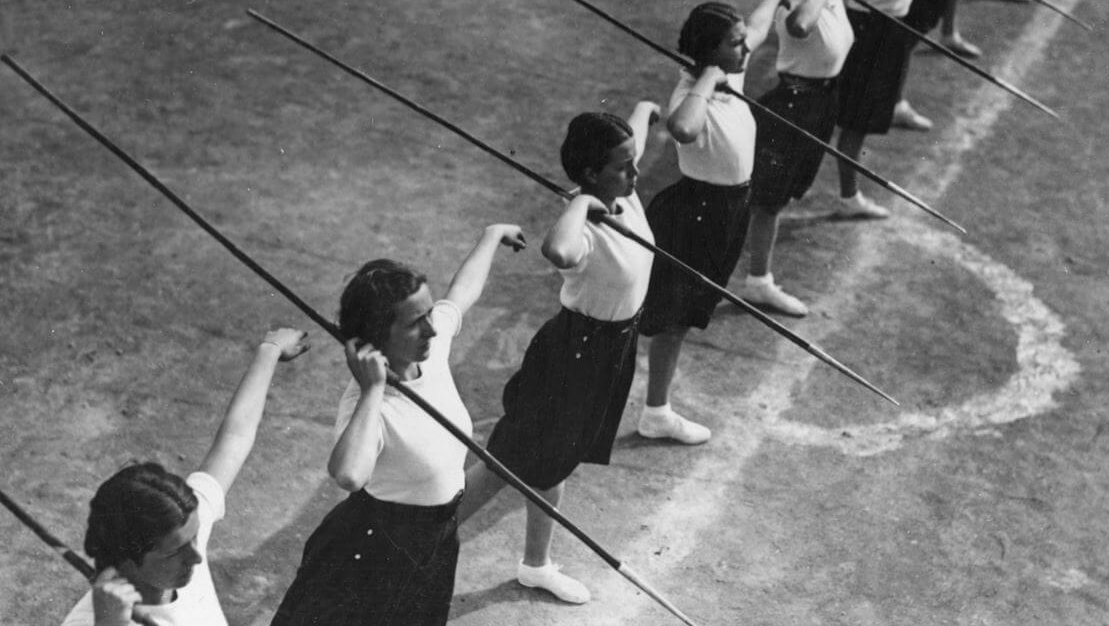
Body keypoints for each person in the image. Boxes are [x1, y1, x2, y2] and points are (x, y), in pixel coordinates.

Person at [270, 225, 526, 626]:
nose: (432, 329)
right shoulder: (365, 404)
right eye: (415, 322)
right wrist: (372, 389)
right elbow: (349, 475)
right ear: (376, 334)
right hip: (374, 553)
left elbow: (460, 295)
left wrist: (492, 236)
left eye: (428, 314)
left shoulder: (431, 352)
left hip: (436, 541)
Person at [459, 101, 661, 604]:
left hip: (610, 351)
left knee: (554, 462)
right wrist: (581, 204)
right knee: (508, 462)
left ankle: (536, 564)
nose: (635, 173)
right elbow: (559, 252)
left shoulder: (624, 193)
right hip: (575, 355)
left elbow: (632, 141)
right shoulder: (584, 229)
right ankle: (413, 543)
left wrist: (644, 109)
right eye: (623, 167)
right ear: (591, 174)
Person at [63, 328, 311, 626]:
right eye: (175, 552)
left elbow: (235, 437)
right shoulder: (91, 622)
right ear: (127, 562)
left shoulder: (178, 528)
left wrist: (269, 349)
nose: (197, 557)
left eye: (194, 537)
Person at [637, 0, 789, 444]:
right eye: (734, 43)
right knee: (674, 318)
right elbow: (682, 128)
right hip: (697, 212)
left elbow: (758, 28)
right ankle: (655, 412)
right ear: (710, 51)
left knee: (685, 315)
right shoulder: (692, 93)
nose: (746, 48)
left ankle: (655, 407)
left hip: (730, 211)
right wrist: (708, 79)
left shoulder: (729, 74)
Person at [739, 0, 853, 318]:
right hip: (795, 105)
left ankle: (755, 271)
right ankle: (758, 282)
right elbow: (799, 26)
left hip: (820, 103)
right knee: (769, 200)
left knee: (780, 194)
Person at [833, 0, 926, 218]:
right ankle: (848, 198)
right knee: (855, 123)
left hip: (889, 30)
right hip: (870, 34)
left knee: (863, 115)